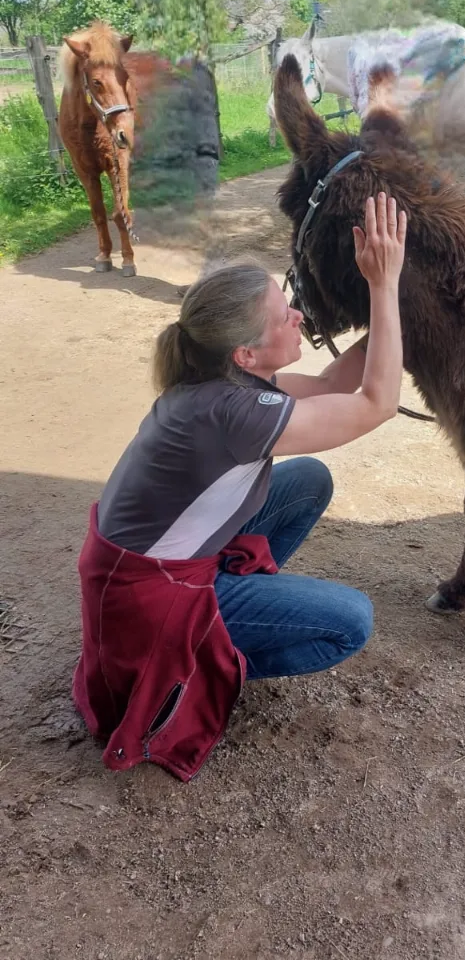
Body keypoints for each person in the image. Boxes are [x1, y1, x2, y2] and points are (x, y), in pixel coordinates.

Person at [73, 194, 406, 781]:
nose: (297, 316)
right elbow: (376, 404)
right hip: (150, 599)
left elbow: (333, 382)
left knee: (307, 481)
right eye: (283, 317)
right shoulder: (233, 414)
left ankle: (238, 613)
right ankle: (207, 663)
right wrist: (384, 286)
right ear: (246, 352)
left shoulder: (223, 381)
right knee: (351, 620)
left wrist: (406, 310)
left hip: (145, 570)